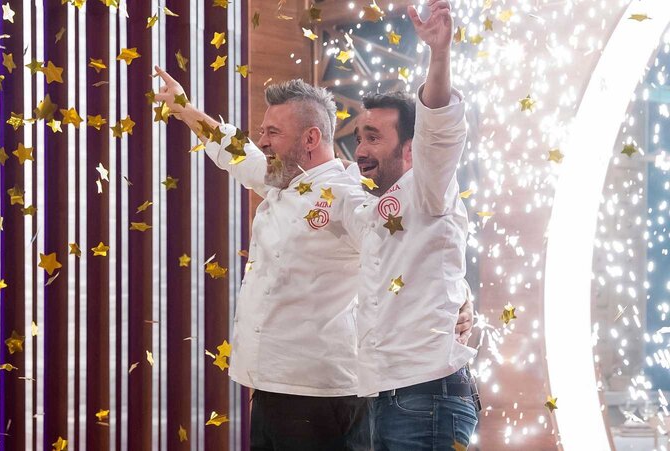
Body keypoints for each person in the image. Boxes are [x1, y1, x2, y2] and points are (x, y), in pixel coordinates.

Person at [153, 65, 473, 449]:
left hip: (321, 395)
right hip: (270, 387)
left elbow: (400, 248)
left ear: (310, 138)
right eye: (262, 132)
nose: (262, 141)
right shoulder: (280, 177)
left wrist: (461, 295)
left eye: (273, 133)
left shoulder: (348, 194)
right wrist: (186, 110)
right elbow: (237, 153)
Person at [348, 1, 479, 449]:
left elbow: (439, 130)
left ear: (410, 149)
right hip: (384, 397)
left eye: (372, 138)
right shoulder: (369, 208)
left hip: (427, 396)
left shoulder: (428, 187)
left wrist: (439, 54)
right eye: (358, 138)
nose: (359, 150)